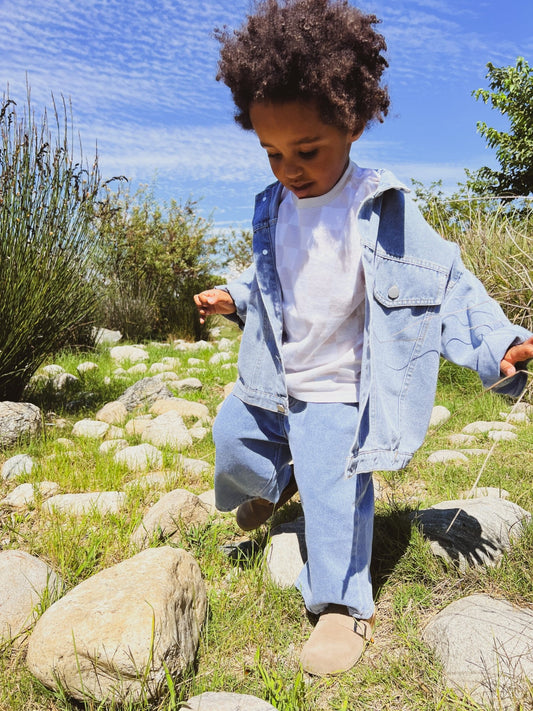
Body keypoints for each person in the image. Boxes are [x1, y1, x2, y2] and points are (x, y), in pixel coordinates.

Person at [194, 0, 533, 677]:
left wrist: (497, 341)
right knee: (231, 443)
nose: (288, 167)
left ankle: (338, 605)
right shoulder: (273, 207)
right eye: (271, 153)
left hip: (336, 392)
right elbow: (267, 273)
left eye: (307, 150)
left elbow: (444, 283)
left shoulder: (380, 207)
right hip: (271, 377)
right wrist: (234, 293)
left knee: (334, 492)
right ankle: (270, 481)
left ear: (352, 122)